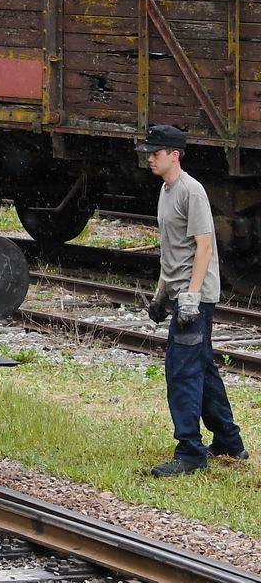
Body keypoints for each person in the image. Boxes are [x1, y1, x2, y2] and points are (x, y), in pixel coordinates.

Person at [139, 123, 248, 475]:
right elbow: (171, 251)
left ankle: (190, 453)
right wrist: (161, 292)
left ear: (175, 155)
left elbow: (204, 246)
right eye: (149, 153)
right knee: (200, 367)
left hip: (194, 300)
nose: (150, 158)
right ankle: (229, 442)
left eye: (155, 153)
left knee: (182, 372)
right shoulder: (166, 191)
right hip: (182, 294)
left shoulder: (192, 191)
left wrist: (190, 298)